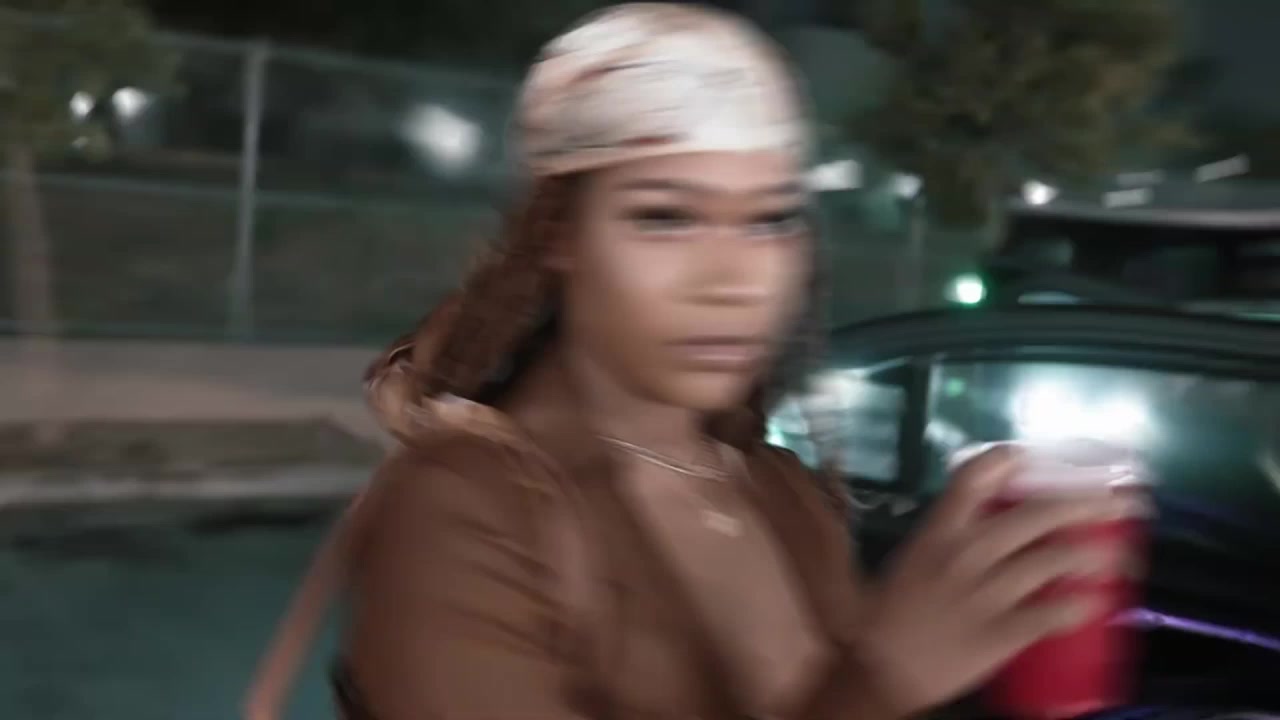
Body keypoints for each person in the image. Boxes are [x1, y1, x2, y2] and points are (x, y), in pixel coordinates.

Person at [246, 4, 1142, 719]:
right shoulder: (468, 508)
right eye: (666, 217)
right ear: (559, 235)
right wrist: (884, 676)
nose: (733, 281)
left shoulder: (782, 492)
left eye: (770, 219)